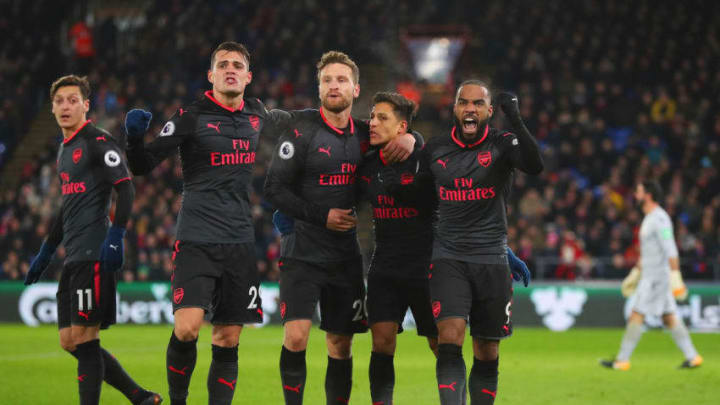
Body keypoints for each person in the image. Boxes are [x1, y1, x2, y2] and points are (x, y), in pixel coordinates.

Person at [124, 41, 285, 405]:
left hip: (240, 242)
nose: (231, 69)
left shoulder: (259, 114)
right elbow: (142, 165)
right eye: (223, 64)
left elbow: (303, 129)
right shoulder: (190, 116)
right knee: (187, 328)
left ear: (248, 77)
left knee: (228, 337)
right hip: (196, 237)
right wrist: (133, 139)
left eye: (237, 64)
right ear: (211, 75)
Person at [263, 51, 416, 405]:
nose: (334, 85)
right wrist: (321, 215)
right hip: (301, 250)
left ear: (356, 89)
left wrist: (413, 140)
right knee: (297, 337)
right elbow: (273, 189)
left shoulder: (367, 134)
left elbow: (406, 137)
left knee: (341, 343)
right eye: (328, 80)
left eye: (342, 80)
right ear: (318, 88)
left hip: (345, 256)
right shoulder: (301, 130)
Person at [23, 74, 162, 405]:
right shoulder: (64, 150)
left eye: (73, 100)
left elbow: (125, 186)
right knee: (69, 340)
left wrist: (116, 235)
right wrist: (45, 253)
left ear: (86, 106)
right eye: (59, 101)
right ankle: (139, 396)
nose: (65, 106)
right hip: (73, 256)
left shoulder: (96, 141)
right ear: (52, 108)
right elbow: (67, 209)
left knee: (86, 339)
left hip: (94, 252)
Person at [422, 80, 543, 405]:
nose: (470, 109)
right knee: (450, 338)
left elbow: (534, 165)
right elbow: (418, 201)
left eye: (477, 103)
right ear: (455, 109)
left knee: (487, 349)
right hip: (448, 257)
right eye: (464, 103)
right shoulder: (434, 149)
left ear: (489, 111)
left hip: (491, 259)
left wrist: (516, 119)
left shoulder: (503, 144)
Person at [358, 92, 438, 404]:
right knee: (381, 343)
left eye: (382, 118)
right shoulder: (365, 165)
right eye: (372, 116)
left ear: (401, 126)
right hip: (385, 267)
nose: (372, 123)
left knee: (441, 345)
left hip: (427, 266)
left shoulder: (426, 158)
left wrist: (415, 140)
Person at [601, 181, 703, 371]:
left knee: (636, 314)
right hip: (651, 275)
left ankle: (622, 360)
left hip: (657, 279)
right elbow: (649, 252)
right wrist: (635, 274)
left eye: (638, 192)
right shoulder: (649, 218)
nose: (636, 195)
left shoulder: (660, 219)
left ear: (648, 195)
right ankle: (693, 357)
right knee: (669, 318)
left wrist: (676, 277)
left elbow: (670, 249)